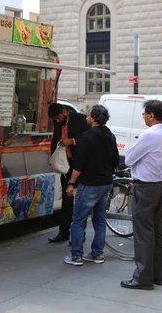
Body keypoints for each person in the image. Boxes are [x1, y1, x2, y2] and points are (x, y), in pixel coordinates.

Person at [121, 100, 162, 290]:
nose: (143, 117)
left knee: (143, 233)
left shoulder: (150, 135)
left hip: (144, 187)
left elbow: (128, 159)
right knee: (157, 232)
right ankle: (156, 274)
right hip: (159, 185)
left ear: (151, 115)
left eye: (144, 114)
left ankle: (143, 277)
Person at [63, 105, 119, 266]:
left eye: (88, 115)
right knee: (100, 220)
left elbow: (79, 164)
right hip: (106, 183)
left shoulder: (87, 137)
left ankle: (76, 255)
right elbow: (115, 159)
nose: (86, 118)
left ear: (93, 118)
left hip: (89, 183)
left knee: (79, 220)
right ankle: (97, 254)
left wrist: (71, 183)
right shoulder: (110, 135)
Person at [47, 102, 89, 243]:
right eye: (55, 120)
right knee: (66, 198)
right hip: (66, 164)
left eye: (58, 117)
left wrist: (72, 141)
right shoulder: (58, 122)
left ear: (65, 112)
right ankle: (63, 232)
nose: (58, 121)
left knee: (80, 200)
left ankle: (78, 234)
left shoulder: (81, 119)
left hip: (80, 164)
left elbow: (88, 138)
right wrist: (52, 156)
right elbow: (55, 140)